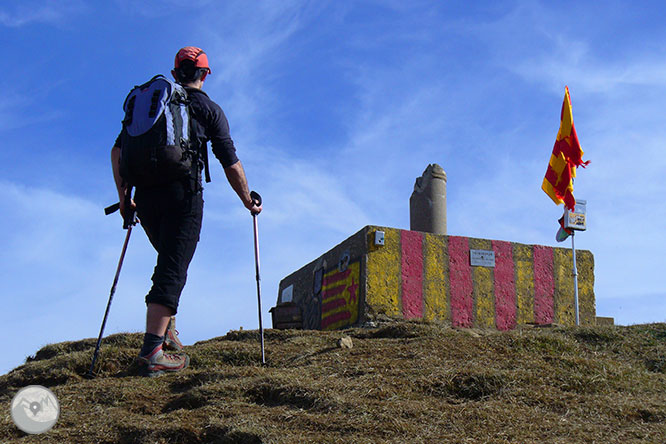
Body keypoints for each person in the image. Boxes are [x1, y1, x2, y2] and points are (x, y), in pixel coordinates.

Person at [110, 46, 262, 377]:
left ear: (176, 73)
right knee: (173, 267)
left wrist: (124, 198)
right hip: (183, 195)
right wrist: (248, 199)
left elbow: (117, 151)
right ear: (205, 74)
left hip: (146, 197)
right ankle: (152, 352)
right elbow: (230, 162)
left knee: (168, 260)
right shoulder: (209, 109)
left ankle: (167, 332)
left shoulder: (155, 105)